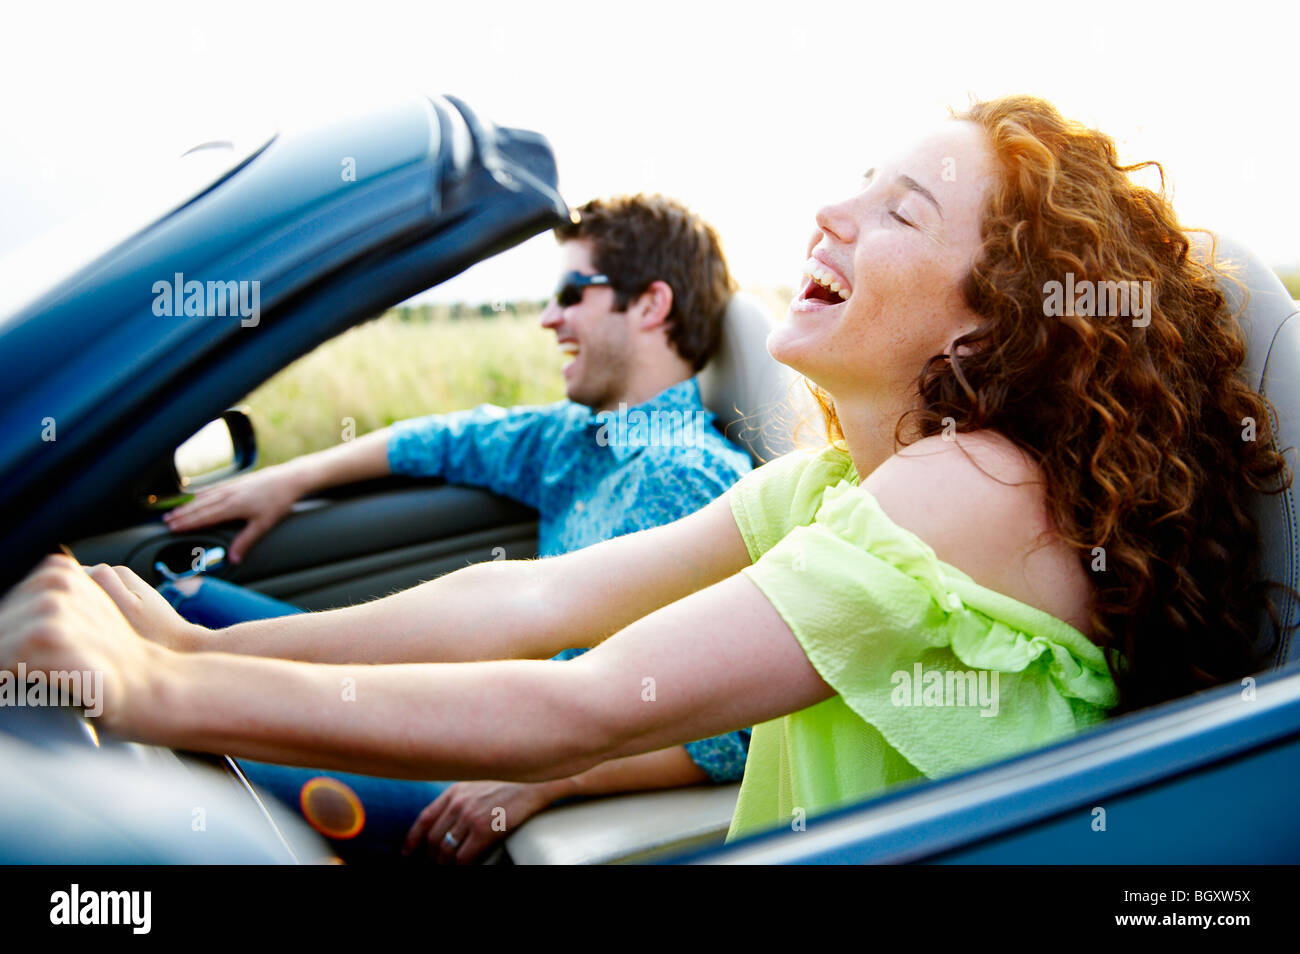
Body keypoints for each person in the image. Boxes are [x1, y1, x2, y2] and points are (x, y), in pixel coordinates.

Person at [3, 96, 1289, 855]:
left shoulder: (980, 491)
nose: (831, 216)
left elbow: (591, 706)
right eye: (856, 189)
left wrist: (163, 688)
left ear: (988, 325)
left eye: (900, 213)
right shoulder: (842, 482)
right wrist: (201, 649)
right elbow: (523, 610)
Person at [153, 194, 756, 862]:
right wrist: (290, 479)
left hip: (493, 763)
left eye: (570, 292)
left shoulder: (696, 480)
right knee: (178, 599)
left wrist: (556, 774)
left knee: (202, 724)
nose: (549, 318)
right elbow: (444, 438)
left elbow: (739, 731)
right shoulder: (573, 438)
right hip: (468, 710)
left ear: (650, 305)